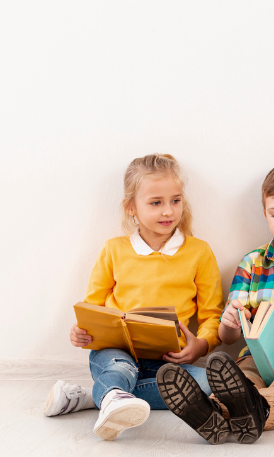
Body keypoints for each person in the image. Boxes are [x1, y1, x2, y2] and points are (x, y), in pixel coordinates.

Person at [156, 162, 274, 443]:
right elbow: (228, 336)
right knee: (240, 380)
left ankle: (251, 411)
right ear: (266, 215)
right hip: (255, 356)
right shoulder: (252, 262)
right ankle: (214, 411)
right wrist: (229, 323)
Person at [44, 154, 223, 441]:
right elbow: (92, 306)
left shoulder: (199, 252)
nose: (168, 211)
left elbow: (212, 313)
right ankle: (113, 393)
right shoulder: (114, 250)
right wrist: (82, 331)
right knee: (121, 367)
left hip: (167, 361)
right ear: (131, 208)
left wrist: (201, 345)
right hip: (115, 352)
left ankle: (100, 396)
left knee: (206, 384)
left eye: (175, 200)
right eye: (156, 203)